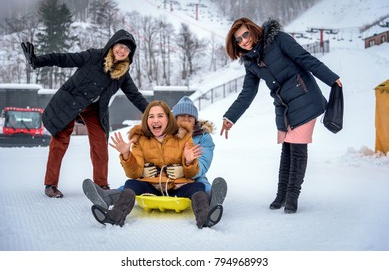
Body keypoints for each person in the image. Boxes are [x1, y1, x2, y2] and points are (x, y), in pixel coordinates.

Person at [220, 17, 342, 214]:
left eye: (245, 34)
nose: (244, 40)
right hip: (284, 106)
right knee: (287, 148)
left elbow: (305, 58)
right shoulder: (251, 62)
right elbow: (247, 93)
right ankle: (281, 194)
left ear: (252, 30)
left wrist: (331, 78)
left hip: (305, 97)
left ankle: (292, 197)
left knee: (298, 148)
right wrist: (230, 117)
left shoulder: (278, 39)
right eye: (238, 39)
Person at [21, 30, 149, 198]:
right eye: (120, 46)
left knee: (100, 144)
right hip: (70, 101)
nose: (122, 51)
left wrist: (156, 112)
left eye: (127, 49)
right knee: (60, 140)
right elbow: (64, 59)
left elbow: (135, 96)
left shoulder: (122, 74)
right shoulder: (92, 56)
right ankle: (50, 184)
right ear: (112, 44)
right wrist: (38, 61)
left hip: (94, 109)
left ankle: (101, 184)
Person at [83, 96, 227, 225]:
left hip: (188, 178)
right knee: (131, 184)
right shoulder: (145, 137)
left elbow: (202, 165)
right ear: (173, 119)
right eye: (182, 115)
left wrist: (186, 165)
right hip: (155, 182)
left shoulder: (197, 138)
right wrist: (129, 157)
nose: (186, 119)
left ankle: (209, 208)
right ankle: (113, 212)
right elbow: (139, 167)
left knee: (200, 186)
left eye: (190, 116)